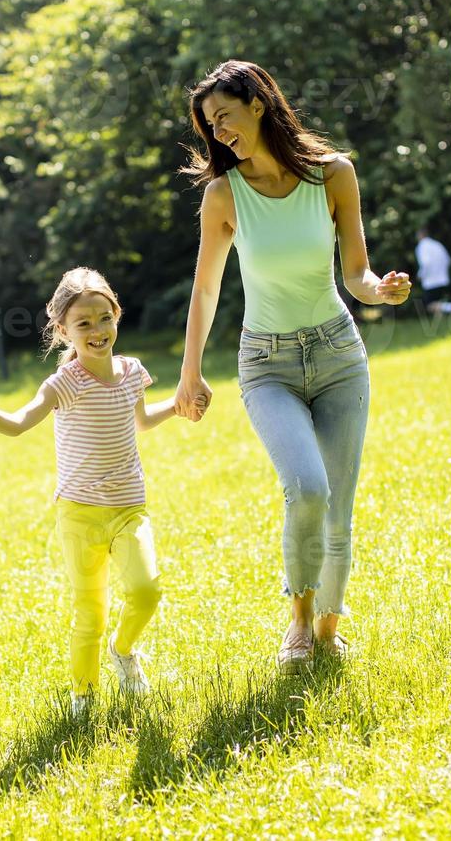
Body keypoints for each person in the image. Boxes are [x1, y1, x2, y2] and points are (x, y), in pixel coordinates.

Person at [173, 60, 411, 674]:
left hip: (338, 356)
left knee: (339, 504)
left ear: (256, 102)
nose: (219, 133)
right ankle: (299, 620)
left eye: (223, 116)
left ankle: (330, 627)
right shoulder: (225, 195)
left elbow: (354, 271)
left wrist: (378, 290)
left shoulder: (333, 176)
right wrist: (190, 372)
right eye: (209, 127)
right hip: (266, 364)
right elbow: (205, 290)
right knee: (306, 488)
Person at [0, 267, 186, 716]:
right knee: (90, 612)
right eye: (84, 323)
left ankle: (124, 652)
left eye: (105, 318)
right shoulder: (65, 383)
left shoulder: (132, 371)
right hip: (80, 515)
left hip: (129, 508)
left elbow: (139, 420)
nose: (98, 331)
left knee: (146, 590)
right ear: (64, 331)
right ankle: (84, 695)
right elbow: (20, 423)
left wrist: (177, 406)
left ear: (117, 315)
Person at [415, 227, 451, 317]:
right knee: (438, 303)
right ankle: (437, 325)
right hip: (443, 278)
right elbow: (448, 260)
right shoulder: (437, 244)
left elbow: (425, 263)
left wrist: (420, 275)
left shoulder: (422, 246)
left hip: (431, 281)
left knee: (430, 305)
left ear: (420, 235)